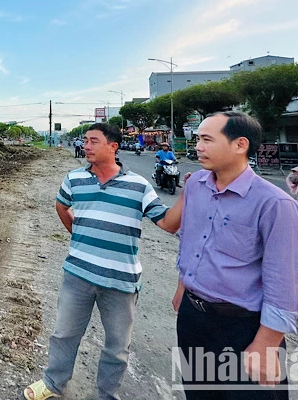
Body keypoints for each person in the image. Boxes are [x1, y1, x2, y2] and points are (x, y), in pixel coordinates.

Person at [24, 123, 184, 400]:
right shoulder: (74, 178)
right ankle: (53, 383)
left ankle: (106, 394)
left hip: (120, 280)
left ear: (113, 146)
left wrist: (188, 194)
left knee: (117, 346)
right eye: (85, 141)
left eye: (93, 141)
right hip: (77, 273)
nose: (86, 145)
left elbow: (168, 224)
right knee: (64, 334)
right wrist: (79, 234)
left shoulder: (139, 185)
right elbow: (61, 205)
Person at [172, 111, 298, 399]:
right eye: (197, 139)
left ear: (240, 145)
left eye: (207, 139)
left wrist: (267, 344)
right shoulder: (196, 185)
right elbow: (192, 240)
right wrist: (182, 286)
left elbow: (286, 281)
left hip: (242, 328)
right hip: (193, 318)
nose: (198, 146)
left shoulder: (275, 205)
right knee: (199, 394)